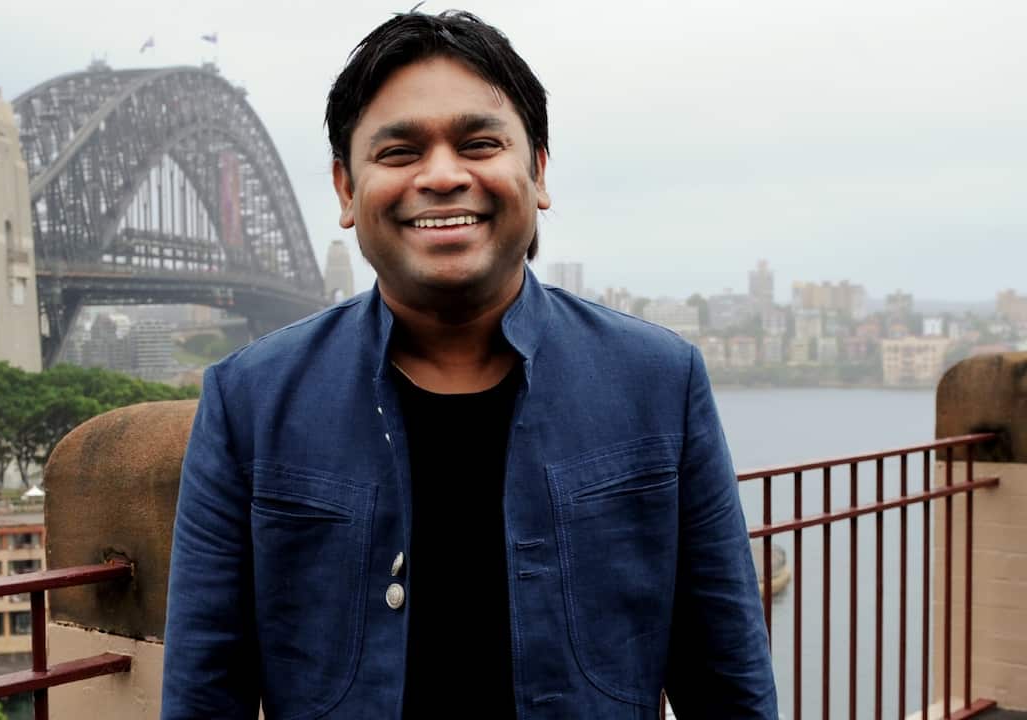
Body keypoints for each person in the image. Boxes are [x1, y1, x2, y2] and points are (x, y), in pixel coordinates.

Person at [161, 10, 777, 719]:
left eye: (480, 143)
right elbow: (204, 694)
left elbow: (730, 683)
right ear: (344, 189)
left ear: (538, 170)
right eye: (399, 153)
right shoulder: (251, 401)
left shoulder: (658, 382)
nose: (444, 175)